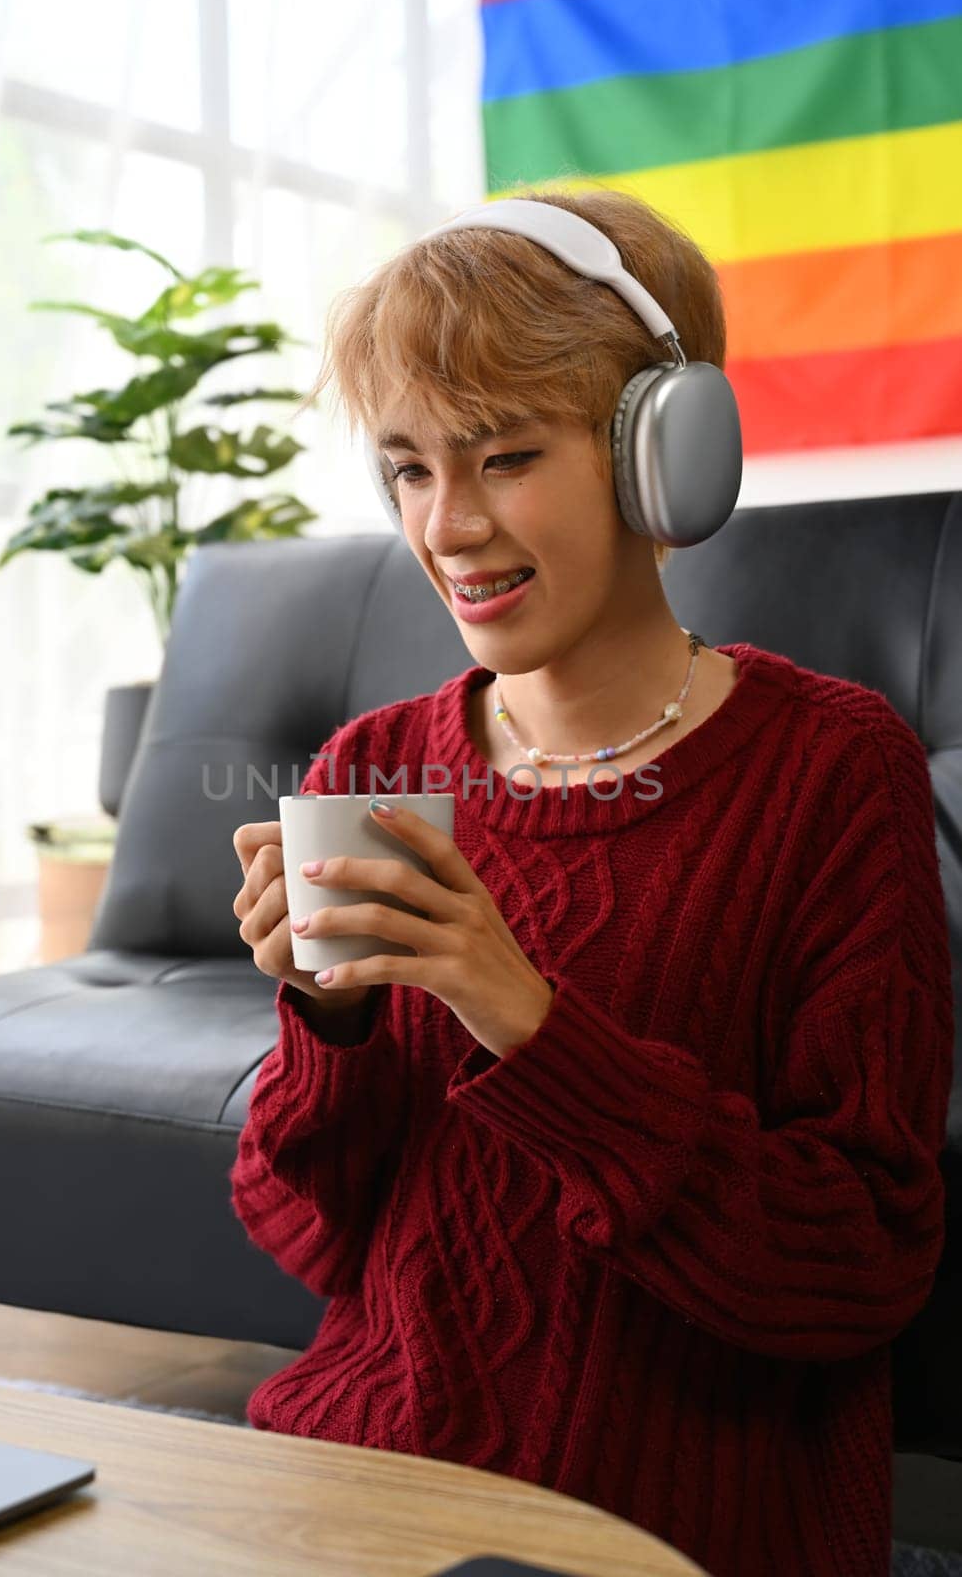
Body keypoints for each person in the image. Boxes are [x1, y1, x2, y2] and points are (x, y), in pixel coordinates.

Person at [228, 185, 954, 1577]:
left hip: (666, 1521)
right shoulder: (379, 762)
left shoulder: (832, 770)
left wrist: (531, 1025)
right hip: (363, 1478)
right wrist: (327, 1030)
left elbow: (861, 1263)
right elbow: (309, 1240)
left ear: (659, 457)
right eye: (407, 468)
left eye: (502, 456)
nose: (445, 527)